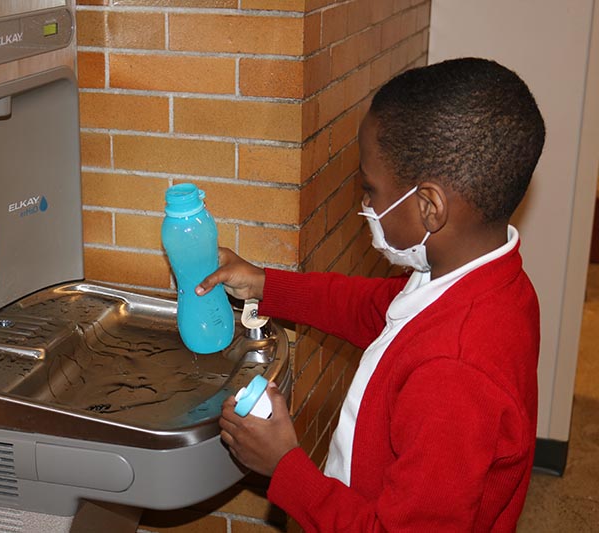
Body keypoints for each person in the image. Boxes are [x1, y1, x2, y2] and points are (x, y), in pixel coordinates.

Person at [196, 57, 546, 532]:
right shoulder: (482, 277)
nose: (367, 205)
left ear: (429, 206)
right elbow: (373, 310)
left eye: (371, 189)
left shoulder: (454, 374)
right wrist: (263, 283)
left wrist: (285, 466)